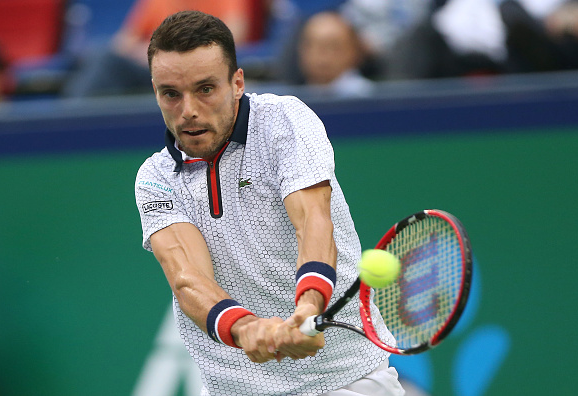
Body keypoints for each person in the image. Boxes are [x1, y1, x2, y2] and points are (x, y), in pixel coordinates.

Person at [135, 10, 405, 396]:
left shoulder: (283, 121)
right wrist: (246, 328)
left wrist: (309, 306)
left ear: (238, 82)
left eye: (206, 89)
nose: (188, 109)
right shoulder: (156, 178)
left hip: (347, 381)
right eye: (171, 94)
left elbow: (313, 220)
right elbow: (187, 278)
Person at [63, 0, 267, 97]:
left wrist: (172, 53)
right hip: (150, 68)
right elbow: (123, 43)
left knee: (105, 62)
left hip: (195, 67)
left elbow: (233, 36)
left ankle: (66, 121)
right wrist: (152, 55)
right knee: (98, 57)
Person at [296, 11, 374, 98]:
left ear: (354, 51)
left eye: (334, 47)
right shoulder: (291, 101)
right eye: (314, 46)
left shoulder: (369, 97)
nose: (323, 56)